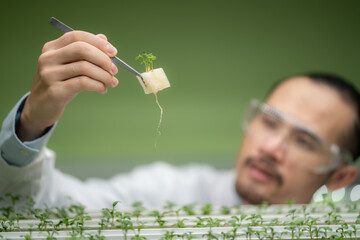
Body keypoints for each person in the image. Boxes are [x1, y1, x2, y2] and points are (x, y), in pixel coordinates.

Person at [0, 31, 359, 209]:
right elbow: (39, 204)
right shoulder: (165, 193)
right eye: (269, 121)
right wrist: (32, 121)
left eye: (304, 140)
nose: (270, 147)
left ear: (341, 176)